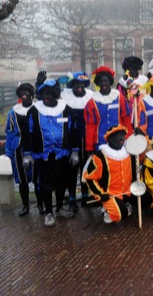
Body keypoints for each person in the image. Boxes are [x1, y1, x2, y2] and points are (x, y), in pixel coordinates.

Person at [23, 79, 78, 227]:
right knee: (46, 184)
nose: (46, 97)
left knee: (61, 183)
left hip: (62, 153)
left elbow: (73, 132)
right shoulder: (34, 111)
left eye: (50, 94)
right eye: (44, 94)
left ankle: (59, 208)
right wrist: (27, 154)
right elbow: (27, 133)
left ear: (55, 94)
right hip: (43, 154)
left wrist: (75, 151)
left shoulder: (66, 109)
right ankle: (49, 213)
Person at [83, 125, 137, 224]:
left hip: (127, 191)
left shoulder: (129, 152)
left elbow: (142, 152)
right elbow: (89, 178)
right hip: (110, 194)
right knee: (121, 214)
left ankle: (125, 203)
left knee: (147, 198)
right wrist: (101, 194)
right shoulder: (100, 156)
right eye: (118, 135)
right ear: (110, 138)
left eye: (123, 135)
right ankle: (107, 209)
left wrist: (139, 136)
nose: (122, 138)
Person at [5, 83, 41, 216]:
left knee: (38, 178)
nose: (24, 93)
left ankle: (41, 204)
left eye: (27, 91)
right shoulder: (13, 112)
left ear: (32, 94)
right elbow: (9, 132)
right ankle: (25, 206)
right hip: (18, 149)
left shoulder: (38, 109)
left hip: (36, 148)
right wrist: (9, 151)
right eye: (22, 91)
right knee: (22, 179)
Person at [61, 71, 93, 210]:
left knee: (86, 168)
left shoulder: (90, 99)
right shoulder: (66, 100)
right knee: (71, 171)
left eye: (81, 84)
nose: (79, 86)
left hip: (87, 139)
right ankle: (72, 199)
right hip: (71, 139)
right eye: (76, 84)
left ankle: (85, 196)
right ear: (72, 85)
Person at [85, 66, 132, 152]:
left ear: (110, 81)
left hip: (119, 141)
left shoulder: (119, 97)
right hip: (101, 141)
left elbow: (126, 119)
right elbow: (90, 125)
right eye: (101, 81)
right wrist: (89, 146)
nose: (103, 84)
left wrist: (129, 137)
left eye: (105, 81)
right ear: (97, 83)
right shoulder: (92, 102)